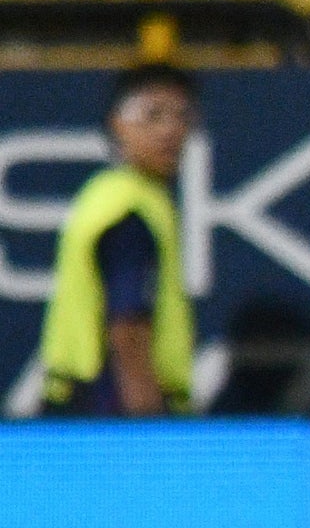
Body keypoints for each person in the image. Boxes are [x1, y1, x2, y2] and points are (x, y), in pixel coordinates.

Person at [39, 62, 198, 417]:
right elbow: (128, 327)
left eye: (182, 116)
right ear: (118, 124)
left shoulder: (105, 196)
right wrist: (147, 428)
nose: (171, 130)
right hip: (109, 410)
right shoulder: (129, 211)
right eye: (153, 115)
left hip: (78, 402)